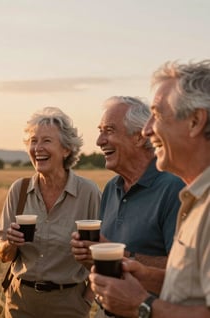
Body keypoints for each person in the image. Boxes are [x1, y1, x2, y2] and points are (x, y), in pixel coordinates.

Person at [88, 60, 210, 317]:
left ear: (196, 121)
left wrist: (142, 306)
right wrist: (144, 275)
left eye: (158, 115)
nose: (147, 129)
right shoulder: (196, 198)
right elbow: (191, 287)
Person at [71, 97, 184, 317]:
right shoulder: (112, 187)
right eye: (100, 131)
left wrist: (117, 252)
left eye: (109, 130)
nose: (99, 141)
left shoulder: (173, 188)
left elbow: (183, 272)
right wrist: (89, 256)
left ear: (140, 136)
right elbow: (108, 267)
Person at [0, 106, 102, 318]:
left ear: (66, 149)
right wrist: (10, 243)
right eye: (33, 141)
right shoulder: (20, 189)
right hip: (20, 302)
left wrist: (87, 299)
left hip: (69, 304)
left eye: (46, 141)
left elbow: (104, 252)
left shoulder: (88, 192)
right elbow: (2, 255)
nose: (38, 148)